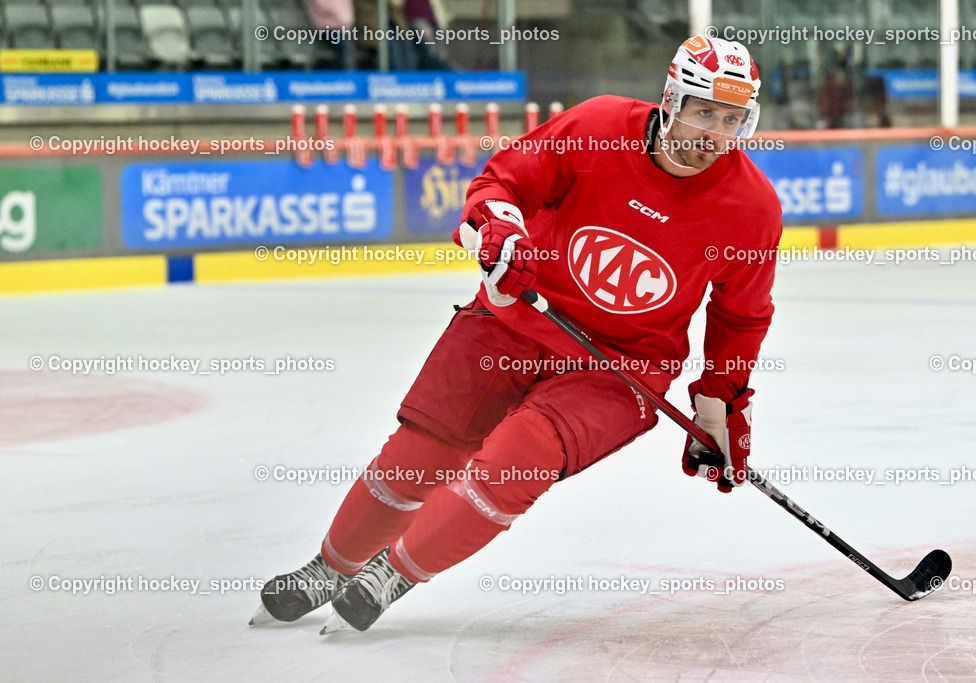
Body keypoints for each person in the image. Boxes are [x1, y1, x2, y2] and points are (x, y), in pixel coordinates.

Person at [251, 32, 783, 634]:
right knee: (420, 453)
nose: (715, 134)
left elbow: (740, 316)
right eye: (704, 112)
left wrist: (718, 408)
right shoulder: (598, 126)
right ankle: (331, 566)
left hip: (620, 369)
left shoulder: (752, 206)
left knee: (516, 458)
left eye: (732, 120)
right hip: (516, 318)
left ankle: (391, 576)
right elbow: (501, 184)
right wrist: (502, 231)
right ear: (671, 99)